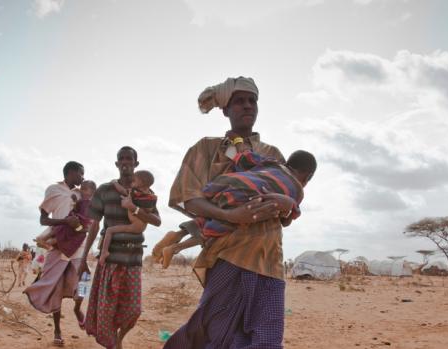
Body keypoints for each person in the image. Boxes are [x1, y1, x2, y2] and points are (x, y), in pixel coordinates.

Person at [164, 77, 301, 348]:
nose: (247, 106)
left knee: (267, 340)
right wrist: (231, 216)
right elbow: (189, 199)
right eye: (239, 101)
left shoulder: (271, 153)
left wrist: (286, 203)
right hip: (226, 256)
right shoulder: (204, 149)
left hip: (268, 259)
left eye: (252, 100)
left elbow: (287, 209)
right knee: (215, 333)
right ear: (225, 109)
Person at [159, 143, 317, 268]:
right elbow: (287, 219)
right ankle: (175, 248)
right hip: (243, 197)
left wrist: (238, 143)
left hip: (226, 182)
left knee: (214, 211)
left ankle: (178, 234)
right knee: (218, 227)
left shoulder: (272, 163)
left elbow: (244, 158)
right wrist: (291, 207)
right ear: (308, 176)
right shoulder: (296, 190)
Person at [81, 146, 161, 349]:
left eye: (129, 159)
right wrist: (83, 259)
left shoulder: (146, 195)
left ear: (136, 164)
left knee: (133, 310)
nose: (125, 162)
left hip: (133, 257)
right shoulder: (105, 190)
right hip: (110, 258)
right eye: (121, 159)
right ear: (117, 164)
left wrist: (135, 208)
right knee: (107, 310)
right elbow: (95, 225)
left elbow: (157, 220)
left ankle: (118, 339)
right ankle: (112, 345)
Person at [23, 161, 88, 347]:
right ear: (70, 172)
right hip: (58, 245)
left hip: (77, 246)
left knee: (84, 279)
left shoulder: (80, 193)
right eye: (80, 174)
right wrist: (64, 222)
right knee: (55, 288)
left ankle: (77, 308)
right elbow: (44, 220)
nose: (82, 178)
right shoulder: (53, 190)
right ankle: (57, 330)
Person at [99, 170, 157, 266]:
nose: (131, 183)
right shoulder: (151, 196)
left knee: (109, 230)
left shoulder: (135, 193)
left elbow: (122, 190)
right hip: (142, 226)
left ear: (141, 183)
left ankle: (104, 252)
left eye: (134, 181)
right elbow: (150, 210)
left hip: (135, 225)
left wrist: (115, 183)